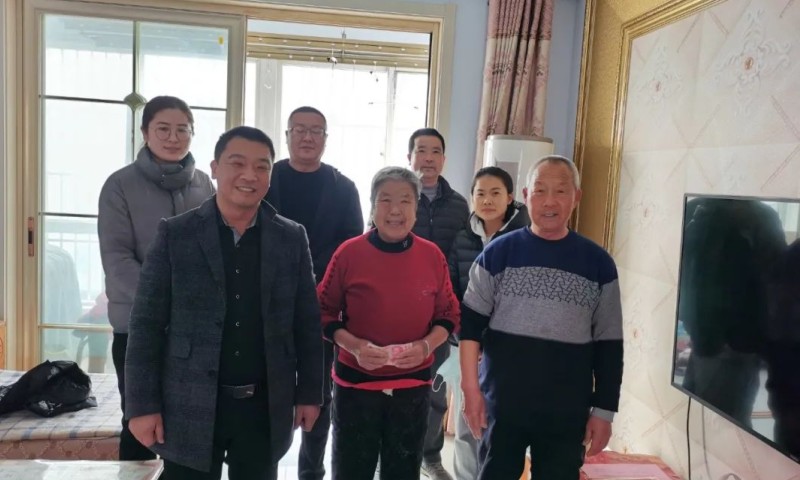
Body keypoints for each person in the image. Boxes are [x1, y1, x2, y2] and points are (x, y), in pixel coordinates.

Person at [124, 126, 323, 480]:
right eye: (237, 163)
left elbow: (306, 322)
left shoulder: (291, 237)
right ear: (215, 168)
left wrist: (309, 393)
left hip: (263, 405)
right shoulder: (176, 234)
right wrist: (141, 406)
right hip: (189, 401)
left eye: (262, 166)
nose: (250, 175)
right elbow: (145, 325)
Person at [459, 155, 624, 480]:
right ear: (525, 195)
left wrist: (604, 411)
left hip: (566, 411)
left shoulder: (598, 264)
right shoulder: (496, 254)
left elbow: (610, 344)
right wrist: (470, 392)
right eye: (540, 190)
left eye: (561, 191)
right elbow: (470, 330)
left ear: (576, 197)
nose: (550, 201)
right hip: (501, 405)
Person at [317, 166, 460, 480]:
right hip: (356, 386)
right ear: (372, 206)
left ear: (416, 208)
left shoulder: (432, 256)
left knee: (403, 471)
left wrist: (426, 346)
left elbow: (449, 314)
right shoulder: (349, 253)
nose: (395, 210)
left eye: (405, 200)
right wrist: (354, 346)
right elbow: (323, 311)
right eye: (385, 200)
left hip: (412, 387)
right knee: (351, 470)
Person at [98, 95, 215, 461]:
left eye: (182, 129)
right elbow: (117, 260)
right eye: (163, 128)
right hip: (138, 328)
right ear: (145, 132)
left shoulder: (205, 185)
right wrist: (166, 303)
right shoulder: (119, 185)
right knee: (140, 424)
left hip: (193, 331)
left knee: (190, 425)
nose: (173, 137)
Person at [264, 106, 363, 480]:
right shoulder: (266, 179)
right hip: (267, 303)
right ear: (287, 135)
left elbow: (351, 249)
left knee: (318, 392)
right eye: (300, 130)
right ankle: (264, 466)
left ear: (325, 138)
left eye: (316, 131)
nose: (307, 137)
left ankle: (311, 470)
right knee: (267, 389)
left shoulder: (343, 188)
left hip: (321, 307)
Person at [446, 166, 529, 479]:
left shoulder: (525, 238)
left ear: (510, 198)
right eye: (480, 193)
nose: (488, 200)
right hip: (466, 346)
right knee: (468, 421)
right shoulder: (461, 239)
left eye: (496, 193)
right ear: (472, 198)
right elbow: (452, 292)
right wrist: (466, 339)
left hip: (509, 350)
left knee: (502, 424)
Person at [407, 128, 469, 480]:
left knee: (434, 390)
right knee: (395, 387)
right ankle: (391, 454)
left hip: (440, 315)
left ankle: (429, 455)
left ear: (443, 159)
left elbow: (462, 260)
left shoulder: (459, 205)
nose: (428, 158)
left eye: (435, 151)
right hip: (399, 309)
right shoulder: (397, 196)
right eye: (421, 150)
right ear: (410, 157)